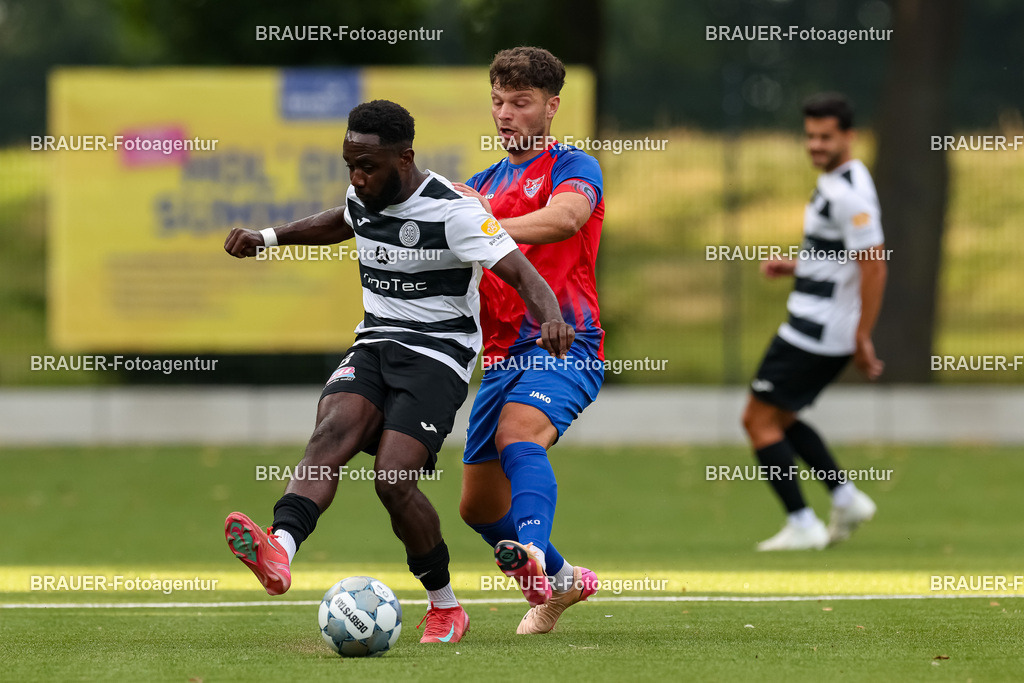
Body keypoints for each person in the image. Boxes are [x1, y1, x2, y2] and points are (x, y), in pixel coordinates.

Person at [221, 99, 575, 644]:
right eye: (350, 166)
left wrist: (550, 318)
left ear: (404, 158)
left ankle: (445, 605)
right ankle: (280, 550)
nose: (358, 179)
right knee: (327, 439)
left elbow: (523, 272)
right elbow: (341, 220)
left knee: (393, 480)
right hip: (374, 343)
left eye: (369, 167)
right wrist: (269, 238)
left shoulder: (454, 210)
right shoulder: (362, 193)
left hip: (436, 356)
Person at [452, 46, 604, 634]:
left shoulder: (573, 166)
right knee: (478, 507)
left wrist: (481, 222)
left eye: (520, 102)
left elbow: (565, 219)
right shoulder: (482, 182)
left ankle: (534, 556)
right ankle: (562, 582)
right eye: (498, 101)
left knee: (520, 436)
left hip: (564, 342)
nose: (506, 113)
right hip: (497, 358)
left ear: (551, 106)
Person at [742, 92, 887, 551]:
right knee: (781, 416)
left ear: (849, 136)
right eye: (810, 136)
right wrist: (797, 265)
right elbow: (840, 255)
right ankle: (846, 498)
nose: (816, 145)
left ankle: (802, 522)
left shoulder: (850, 195)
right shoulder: (840, 178)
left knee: (757, 421)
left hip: (816, 330)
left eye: (826, 137)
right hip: (815, 321)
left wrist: (863, 336)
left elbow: (875, 265)